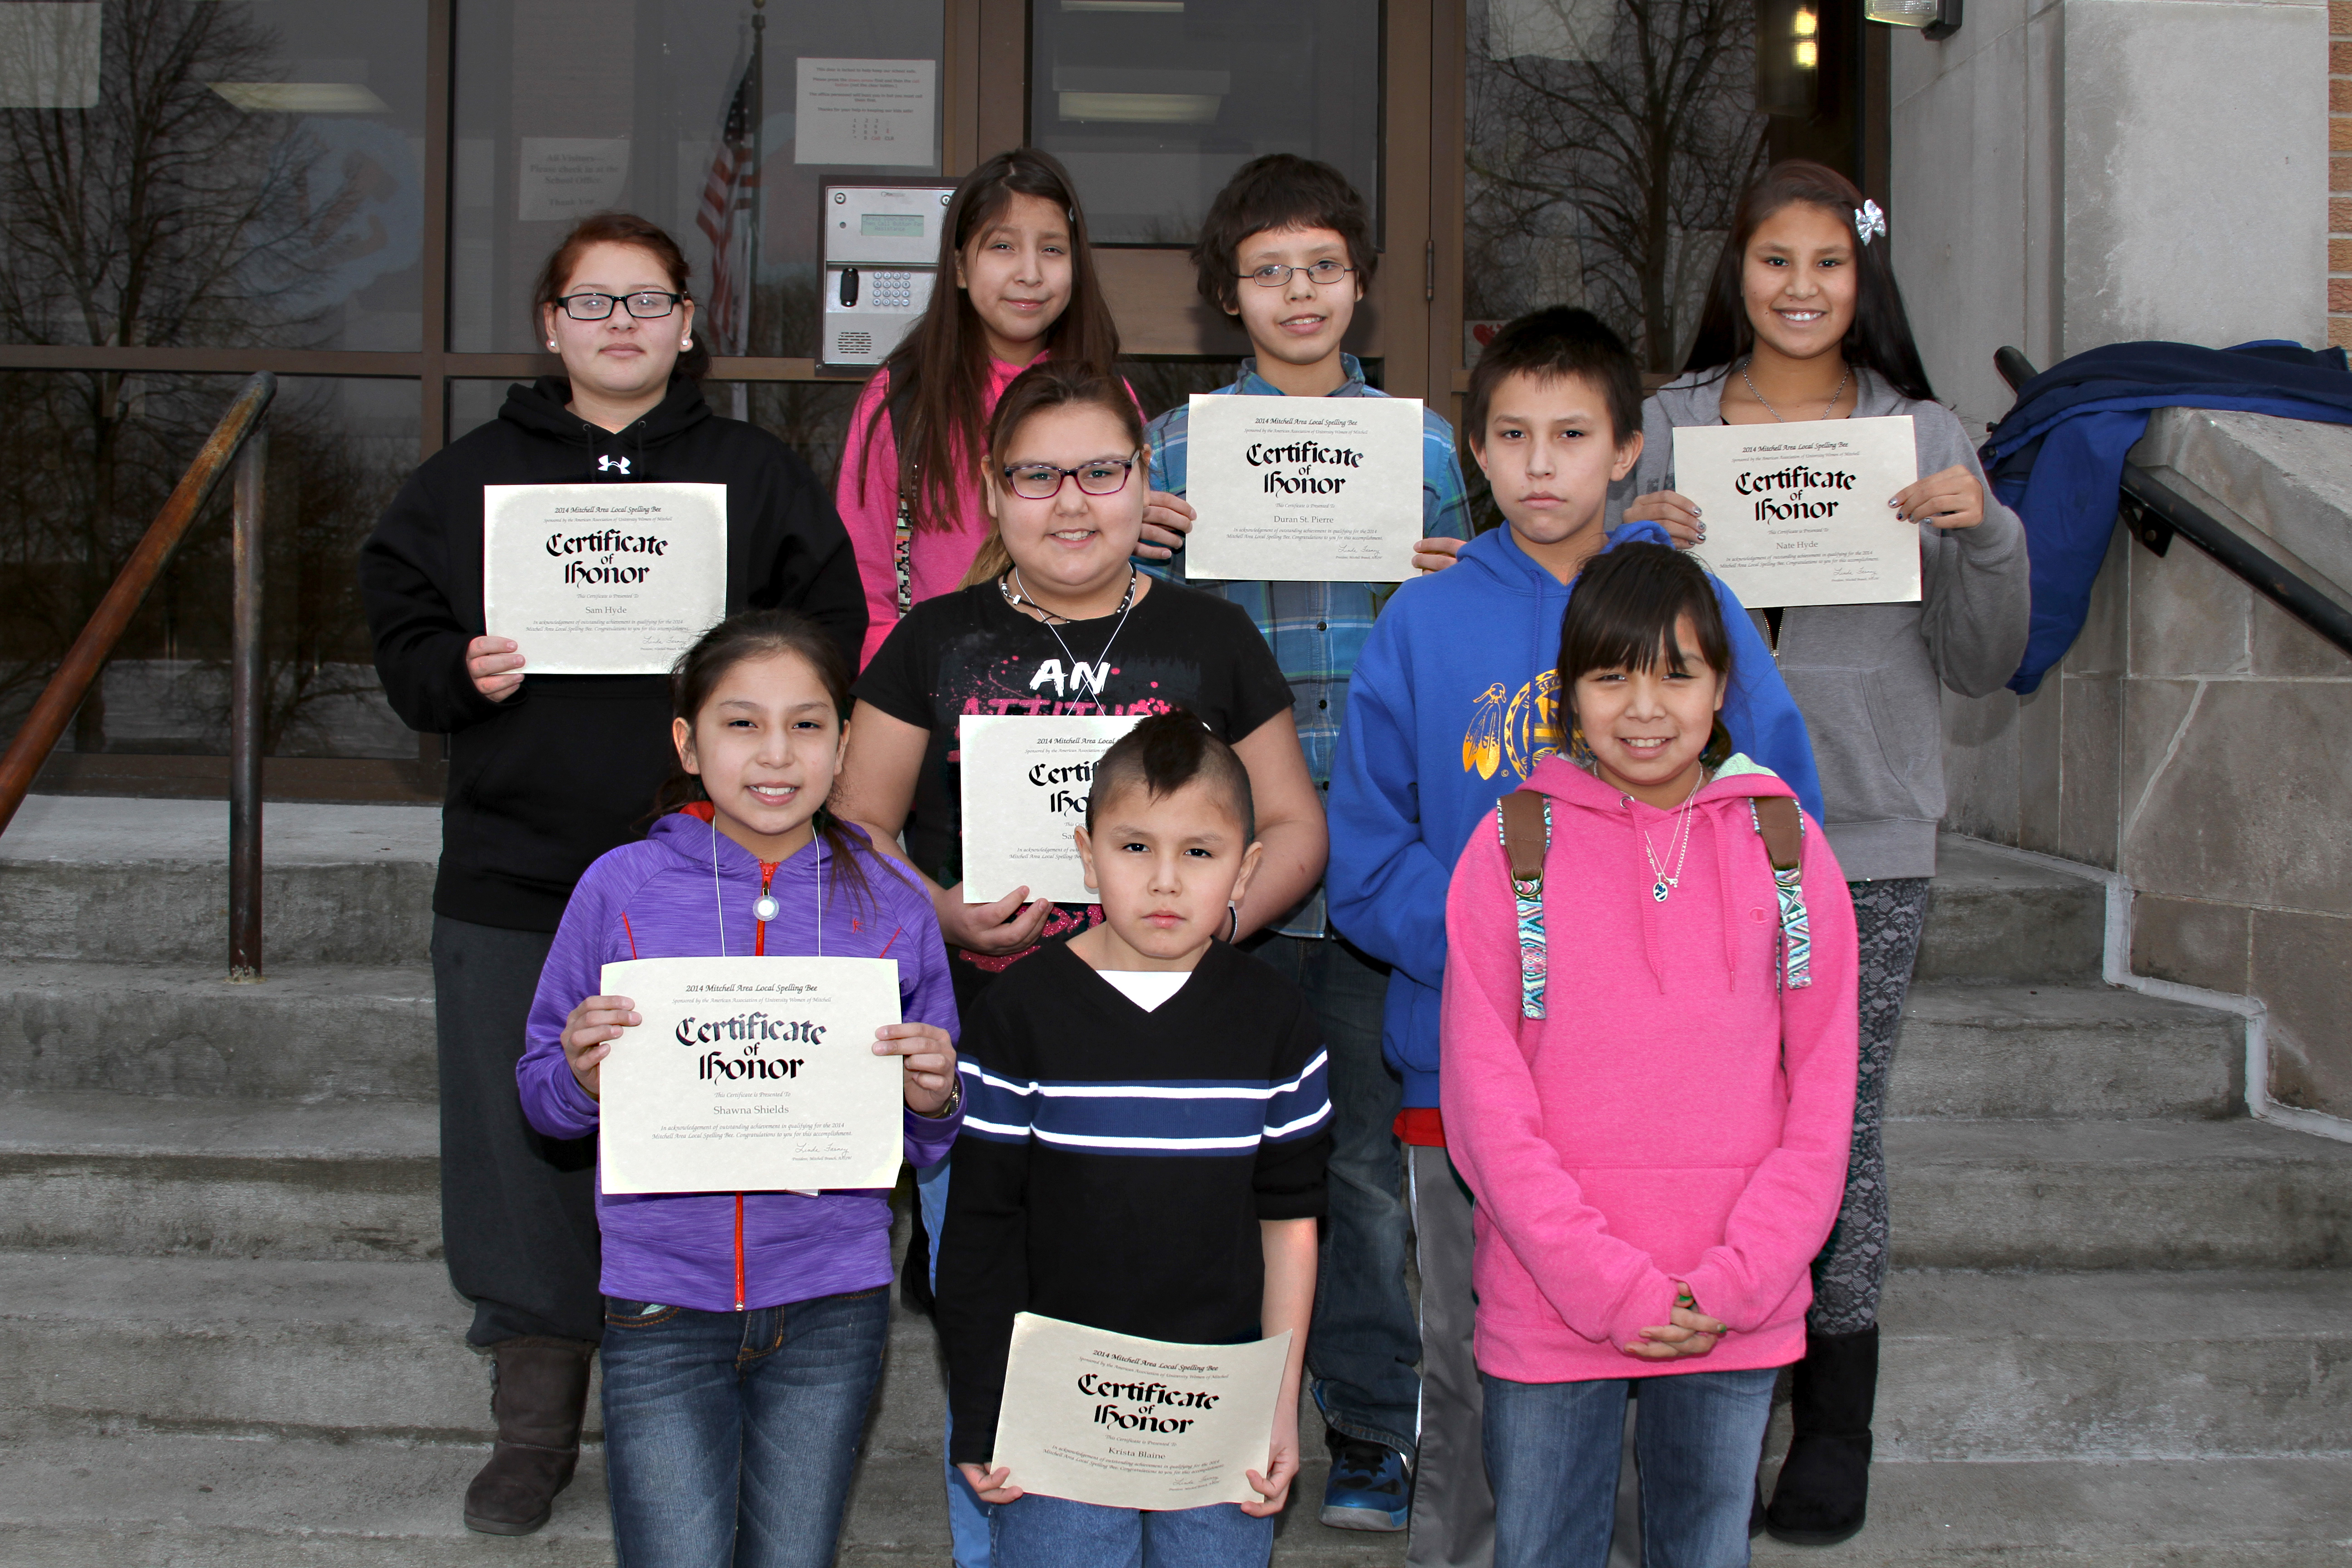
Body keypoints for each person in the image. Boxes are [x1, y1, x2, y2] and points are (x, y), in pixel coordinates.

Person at [356, 211, 864, 1535]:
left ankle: (713, 1398)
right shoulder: (469, 482)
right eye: (594, 302)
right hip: (516, 881)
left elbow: (829, 633)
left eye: (648, 300)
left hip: (715, 879)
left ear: (691, 323)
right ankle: (534, 1426)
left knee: (708, 1136)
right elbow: (398, 625)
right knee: (520, 1152)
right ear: (551, 326)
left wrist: (755, 681)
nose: (622, 323)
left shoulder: (753, 477)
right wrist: (452, 671)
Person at [1326, 307, 1821, 1568]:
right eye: (1511, 436)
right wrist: (1519, 967)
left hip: (1696, 1113)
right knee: (1486, 1389)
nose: (1541, 464)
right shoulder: (1420, 625)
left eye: (1571, 434)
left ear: (1627, 451)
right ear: (1474, 455)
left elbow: (1785, 820)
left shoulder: (1697, 611)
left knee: (1683, 1440)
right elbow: (1366, 862)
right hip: (1475, 1088)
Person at [836, 355, 1327, 1563]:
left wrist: (1218, 924)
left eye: (1101, 472)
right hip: (1003, 1058)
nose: (1071, 502)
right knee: (999, 1337)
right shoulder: (935, 641)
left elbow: (1296, 825)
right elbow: (853, 828)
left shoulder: (1211, 635)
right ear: (994, 492)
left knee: (1188, 1315)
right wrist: (944, 913)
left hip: (1186, 1068)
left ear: (1142, 479)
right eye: (1037, 476)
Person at [1617, 159, 2030, 1546]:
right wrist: (1629, 537)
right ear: (1734, 272)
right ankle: (1716, 1401)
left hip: (1861, 839)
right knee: (1697, 1122)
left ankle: (1832, 1416)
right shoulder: (1668, 429)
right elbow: (1592, 628)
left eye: (1829, 265)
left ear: (1868, 284)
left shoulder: (1921, 433)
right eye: (1775, 261)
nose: (1801, 289)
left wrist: (1986, 538)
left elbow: (1984, 662)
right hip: (1679, 837)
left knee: (1837, 1132)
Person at [1130, 153, 1468, 1533]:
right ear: (1228, 296)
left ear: (1361, 282)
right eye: (1269, 271)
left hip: (1380, 858)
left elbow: (1480, 657)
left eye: (1322, 266)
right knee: (1206, 1160)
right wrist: (1137, 555)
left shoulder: (1435, 454)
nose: (1299, 292)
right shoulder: (1168, 452)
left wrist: (1464, 576)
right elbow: (1119, 638)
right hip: (1220, 866)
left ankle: (1378, 1429)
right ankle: (1204, 1423)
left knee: (1368, 1174)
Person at [1441, 542, 1860, 1568]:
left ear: (1722, 683)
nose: (1643, 704)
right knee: (1537, 1546)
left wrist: (1735, 1279)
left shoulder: (1788, 847)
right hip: (1553, 1296)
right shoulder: (1508, 845)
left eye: (1676, 671)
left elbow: (1824, 1094)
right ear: (1567, 692)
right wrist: (1608, 1284)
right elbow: (1485, 1105)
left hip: (1738, 1302)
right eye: (1611, 672)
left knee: (1703, 1547)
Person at [513, 608, 960, 1568]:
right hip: (660, 1303)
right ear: (688, 740)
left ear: (846, 744)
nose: (776, 753)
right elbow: (541, 1096)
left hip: (833, 1303)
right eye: (741, 722)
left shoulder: (892, 905)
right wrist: (583, 1074)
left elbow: (935, 1135)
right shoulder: (619, 889)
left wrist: (932, 1096)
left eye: (807, 724)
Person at [936, 711, 1333, 1568]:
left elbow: (1289, 1226)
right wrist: (982, 1407)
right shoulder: (1020, 1016)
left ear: (1246, 866)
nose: (1163, 881)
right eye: (1132, 848)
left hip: (1217, 1419)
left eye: (1198, 852)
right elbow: (979, 1227)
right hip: (1056, 1422)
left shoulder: (1276, 1023)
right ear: (1085, 855)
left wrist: (1276, 1404)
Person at [836, 148, 1189, 665]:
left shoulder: (1106, 395)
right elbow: (863, 581)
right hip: (941, 687)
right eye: (1002, 246)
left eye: (1052, 249)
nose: (1030, 273)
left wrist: (1138, 515)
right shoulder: (901, 399)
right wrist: (905, 692)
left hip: (1082, 686)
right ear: (959, 267)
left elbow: (1125, 555)